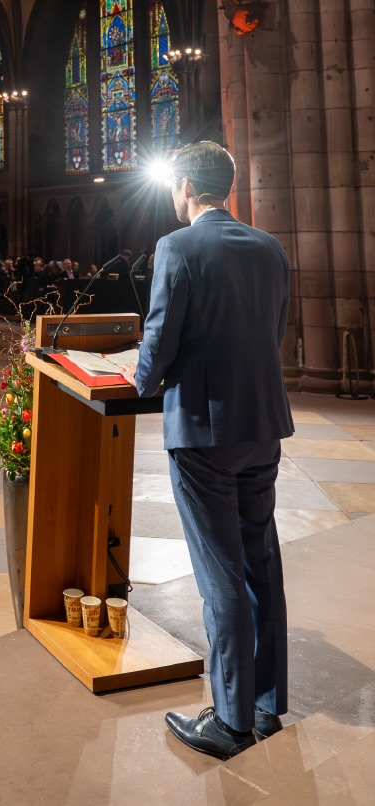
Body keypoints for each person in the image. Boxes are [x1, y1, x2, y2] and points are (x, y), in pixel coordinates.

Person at [120, 141, 292, 762]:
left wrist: (137, 379)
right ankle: (268, 702)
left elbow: (161, 335)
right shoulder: (269, 246)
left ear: (187, 185)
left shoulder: (178, 246)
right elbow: (273, 330)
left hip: (203, 431)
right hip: (262, 425)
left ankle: (230, 720)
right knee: (259, 563)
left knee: (218, 572)